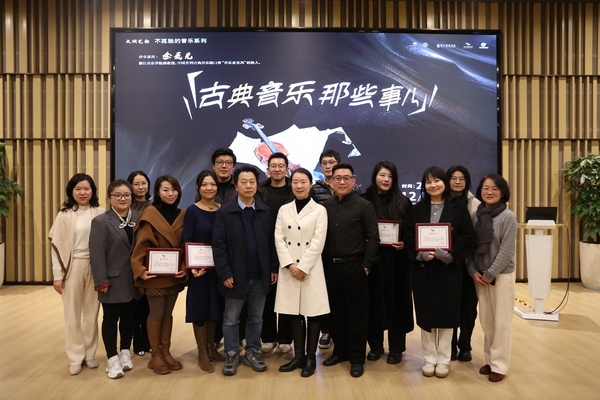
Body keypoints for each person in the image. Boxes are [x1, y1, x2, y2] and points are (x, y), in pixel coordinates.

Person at [403, 166, 474, 379]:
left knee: (447, 313)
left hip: (448, 270)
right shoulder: (417, 209)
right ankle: (429, 358)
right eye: (428, 182)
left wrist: (450, 255)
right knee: (426, 314)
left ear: (444, 182)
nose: (433, 185)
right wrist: (421, 254)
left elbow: (467, 236)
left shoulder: (458, 208)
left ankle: (443, 359)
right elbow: (408, 235)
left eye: (437, 181)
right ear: (424, 185)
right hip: (423, 270)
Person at [212, 165, 279, 376]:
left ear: (257, 185)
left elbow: (272, 243)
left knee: (256, 318)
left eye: (252, 182)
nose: (248, 185)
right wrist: (224, 272)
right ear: (236, 186)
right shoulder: (225, 212)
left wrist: (273, 268)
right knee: (231, 319)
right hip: (235, 276)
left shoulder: (265, 211)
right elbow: (218, 246)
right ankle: (232, 353)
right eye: (244, 182)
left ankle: (252, 351)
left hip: (260, 275)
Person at [321, 163, 379, 378]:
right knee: (336, 313)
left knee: (357, 315)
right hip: (330, 267)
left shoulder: (364, 205)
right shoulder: (324, 207)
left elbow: (373, 237)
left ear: (353, 181)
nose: (342, 182)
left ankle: (356, 358)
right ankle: (340, 352)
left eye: (347, 178)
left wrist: (366, 265)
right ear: (331, 181)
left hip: (355, 267)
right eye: (338, 178)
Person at [274, 168, 329, 378]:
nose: (299, 186)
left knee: (312, 313)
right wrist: (290, 265)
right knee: (294, 313)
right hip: (290, 270)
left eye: (303, 182)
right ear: (291, 184)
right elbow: (279, 239)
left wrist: (303, 267)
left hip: (311, 269)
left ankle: (310, 358)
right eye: (295, 182)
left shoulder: (319, 210)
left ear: (310, 184)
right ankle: (297, 356)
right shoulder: (283, 210)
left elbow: (318, 242)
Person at [49, 173, 105, 375]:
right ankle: (75, 357)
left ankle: (89, 354)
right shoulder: (64, 215)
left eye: (87, 188)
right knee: (72, 314)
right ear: (71, 192)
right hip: (71, 267)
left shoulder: (100, 212)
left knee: (92, 313)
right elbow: (56, 247)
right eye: (78, 189)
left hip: (96, 267)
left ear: (92, 191)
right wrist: (58, 275)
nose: (83, 192)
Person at [131, 175, 187, 375]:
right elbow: (140, 246)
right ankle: (155, 355)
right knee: (155, 313)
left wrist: (184, 266)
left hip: (173, 274)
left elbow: (185, 246)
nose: (170, 193)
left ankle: (165, 351)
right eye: (165, 190)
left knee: (167, 313)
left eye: (174, 189)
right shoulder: (149, 214)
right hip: (154, 274)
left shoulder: (183, 215)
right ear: (157, 192)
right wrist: (139, 270)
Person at [362, 161, 414, 365]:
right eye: (382, 175)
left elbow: (411, 231)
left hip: (397, 263)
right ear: (375, 176)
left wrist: (405, 243)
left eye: (390, 176)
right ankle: (375, 346)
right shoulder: (364, 200)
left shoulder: (404, 202)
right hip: (372, 262)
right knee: (372, 303)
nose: (386, 180)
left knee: (397, 305)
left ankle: (396, 348)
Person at [467, 173, 517, 383]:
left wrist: (490, 274)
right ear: (480, 191)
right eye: (486, 188)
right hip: (479, 276)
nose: (490, 192)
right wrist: (473, 271)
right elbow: (468, 246)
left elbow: (506, 251)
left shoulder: (508, 216)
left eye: (495, 188)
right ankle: (490, 359)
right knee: (487, 321)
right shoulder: (475, 215)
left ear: (503, 193)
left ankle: (499, 365)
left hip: (501, 276)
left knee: (502, 323)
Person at [90, 179, 142, 379]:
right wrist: (101, 280)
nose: (122, 198)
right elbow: (96, 254)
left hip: (133, 280)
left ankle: (125, 351)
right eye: (117, 195)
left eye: (126, 195)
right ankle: (112, 358)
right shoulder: (101, 221)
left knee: (129, 317)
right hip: (111, 281)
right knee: (111, 319)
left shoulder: (138, 217)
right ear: (109, 198)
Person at [309, 149, 360, 350]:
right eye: (324, 163)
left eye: (332, 162)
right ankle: (327, 331)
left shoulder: (355, 190)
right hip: (323, 251)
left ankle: (347, 339)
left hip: (348, 252)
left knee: (347, 301)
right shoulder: (315, 189)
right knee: (326, 295)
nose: (328, 166)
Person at [183, 170, 226, 373]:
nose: (209, 188)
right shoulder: (192, 210)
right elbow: (187, 239)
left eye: (213, 184)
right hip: (199, 270)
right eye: (205, 184)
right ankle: (202, 353)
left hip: (218, 269)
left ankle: (211, 348)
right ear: (198, 187)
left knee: (215, 308)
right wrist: (192, 266)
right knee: (200, 308)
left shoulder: (222, 210)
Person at [256, 152, 295, 354]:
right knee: (267, 294)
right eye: (273, 165)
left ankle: (286, 338)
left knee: (288, 294)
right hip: (264, 248)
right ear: (267, 169)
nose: (277, 169)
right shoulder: (259, 190)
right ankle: (268, 337)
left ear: (287, 169)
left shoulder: (294, 189)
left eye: (281, 166)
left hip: (291, 248)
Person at [447, 165, 481, 362]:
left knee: (468, 307)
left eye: (462, 178)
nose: (457, 182)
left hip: (470, 264)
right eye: (453, 178)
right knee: (450, 305)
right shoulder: (441, 202)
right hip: (448, 262)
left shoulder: (476, 204)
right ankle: (450, 345)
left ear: (467, 181)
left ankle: (465, 345)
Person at [126, 171, 152, 356]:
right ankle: (137, 340)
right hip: (130, 261)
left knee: (149, 305)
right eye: (136, 184)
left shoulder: (154, 206)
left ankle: (148, 339)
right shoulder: (125, 208)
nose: (141, 187)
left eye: (144, 183)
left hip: (151, 261)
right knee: (134, 305)